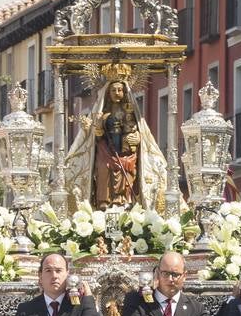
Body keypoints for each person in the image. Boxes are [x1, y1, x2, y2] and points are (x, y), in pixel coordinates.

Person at [61, 70, 170, 211]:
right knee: (103, 167)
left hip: (127, 153)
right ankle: (104, 201)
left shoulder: (131, 113)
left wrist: (137, 137)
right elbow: (95, 136)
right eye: (113, 90)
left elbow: (141, 132)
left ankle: (124, 200)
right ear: (108, 93)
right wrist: (97, 130)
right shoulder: (102, 114)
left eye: (120, 90)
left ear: (125, 92)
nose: (116, 93)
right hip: (106, 150)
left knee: (128, 167)